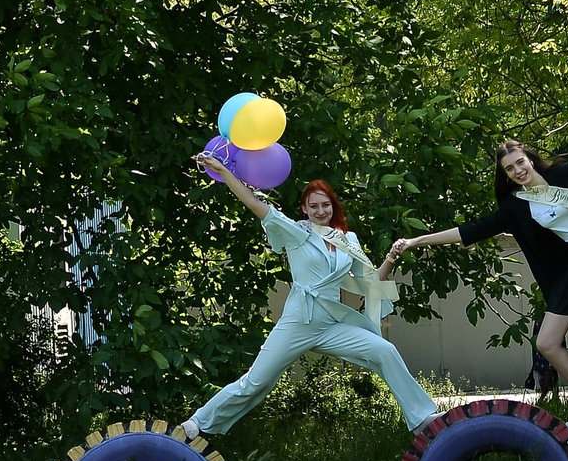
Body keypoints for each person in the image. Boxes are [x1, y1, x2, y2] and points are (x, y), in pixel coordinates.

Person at [385, 140, 568, 448]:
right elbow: (471, 231)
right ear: (504, 174)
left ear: (530, 158)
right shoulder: (517, 205)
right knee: (546, 343)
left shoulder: (564, 175)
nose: (517, 170)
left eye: (520, 162)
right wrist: (418, 240)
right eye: (509, 168)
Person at [180, 163, 441, 442]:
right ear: (304, 209)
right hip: (298, 322)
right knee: (257, 382)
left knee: (384, 351)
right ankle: (198, 422)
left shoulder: (346, 240)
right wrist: (224, 172)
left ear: (333, 206)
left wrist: (391, 257)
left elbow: (371, 284)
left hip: (330, 324)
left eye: (325, 205)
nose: (320, 211)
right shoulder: (297, 232)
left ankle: (422, 418)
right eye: (313, 206)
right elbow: (253, 202)